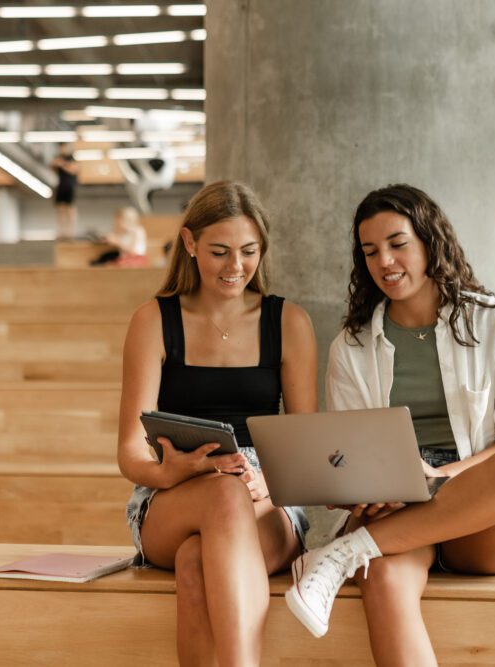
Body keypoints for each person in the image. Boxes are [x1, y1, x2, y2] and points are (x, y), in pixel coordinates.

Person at [286, 184, 495, 665]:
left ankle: (345, 552)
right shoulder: (350, 347)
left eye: (398, 243)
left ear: (431, 241)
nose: (385, 261)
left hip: (479, 517)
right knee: (386, 577)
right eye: (370, 251)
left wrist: (441, 476)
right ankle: (355, 551)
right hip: (399, 509)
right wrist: (365, 483)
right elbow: (350, 453)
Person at [118, 180, 318, 666]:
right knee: (221, 493)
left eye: (248, 252)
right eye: (220, 251)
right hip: (173, 495)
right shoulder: (153, 320)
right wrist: (175, 472)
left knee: (194, 563)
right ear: (189, 244)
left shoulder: (288, 323)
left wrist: (268, 483)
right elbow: (129, 452)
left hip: (269, 496)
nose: (236, 267)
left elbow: (306, 448)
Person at [52, 144, 78, 240]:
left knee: (70, 210)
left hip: (69, 186)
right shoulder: (57, 157)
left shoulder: (71, 158)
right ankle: (61, 232)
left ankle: (71, 232)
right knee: (60, 210)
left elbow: (74, 170)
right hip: (60, 186)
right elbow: (53, 167)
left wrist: (62, 164)